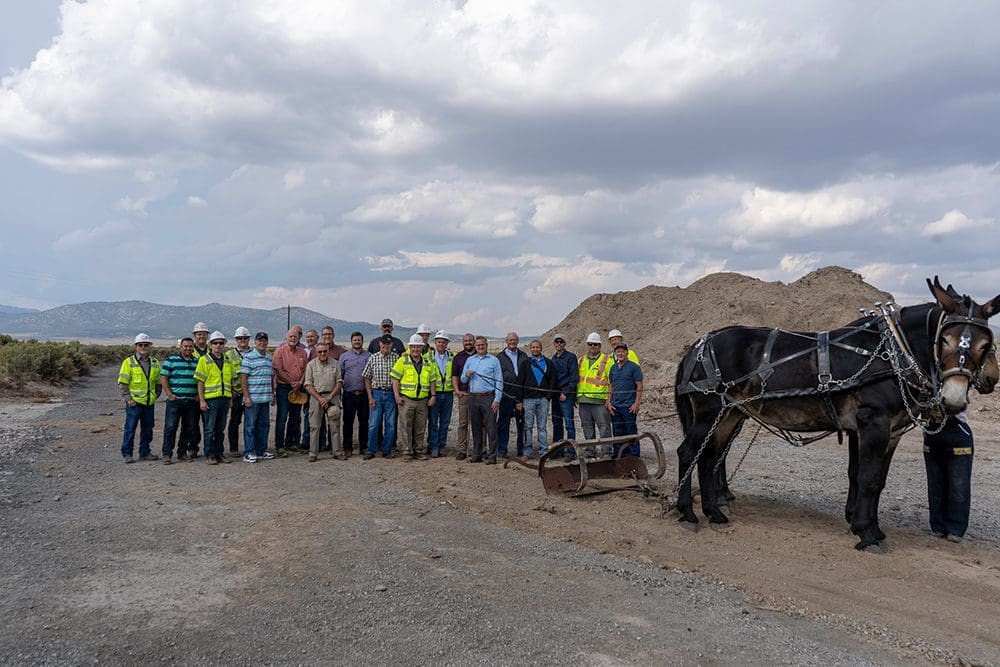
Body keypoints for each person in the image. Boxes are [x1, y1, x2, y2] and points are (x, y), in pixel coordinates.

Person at [924, 412, 975, 542]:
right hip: (932, 434)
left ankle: (956, 528)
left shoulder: (959, 390)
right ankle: (938, 526)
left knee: (958, 485)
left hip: (958, 434)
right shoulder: (923, 391)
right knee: (935, 484)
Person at [194, 331, 238, 465]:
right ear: (210, 344)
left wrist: (230, 398)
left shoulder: (227, 360)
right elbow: (200, 382)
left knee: (220, 429)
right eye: (215, 343)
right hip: (211, 400)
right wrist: (202, 400)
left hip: (224, 400)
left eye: (221, 343)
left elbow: (229, 380)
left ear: (224, 344)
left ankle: (219, 453)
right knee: (209, 429)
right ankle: (210, 454)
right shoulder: (204, 360)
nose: (218, 345)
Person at [391, 334, 437, 461]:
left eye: (418, 347)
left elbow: (432, 380)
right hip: (407, 400)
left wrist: (433, 396)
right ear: (410, 347)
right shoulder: (402, 361)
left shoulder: (428, 363)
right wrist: (396, 395)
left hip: (423, 401)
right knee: (405, 426)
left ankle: (418, 451)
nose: (416, 349)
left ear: (422, 348)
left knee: (420, 427)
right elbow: (395, 379)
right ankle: (407, 451)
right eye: (413, 347)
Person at [118, 333, 161, 463]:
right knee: (130, 428)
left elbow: (158, 382)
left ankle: (145, 452)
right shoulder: (128, 362)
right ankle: (127, 453)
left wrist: (155, 396)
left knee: (148, 429)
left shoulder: (154, 362)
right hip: (134, 403)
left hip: (149, 403)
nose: (143, 347)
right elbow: (123, 383)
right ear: (136, 347)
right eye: (140, 345)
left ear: (149, 347)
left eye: (145, 345)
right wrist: (128, 399)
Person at [461, 336, 502, 464]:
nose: (480, 347)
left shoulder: (494, 360)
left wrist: (497, 399)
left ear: (486, 345)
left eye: (482, 345)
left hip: (488, 397)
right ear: (475, 346)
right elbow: (463, 379)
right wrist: (467, 375)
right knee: (476, 427)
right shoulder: (470, 360)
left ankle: (492, 456)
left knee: (491, 428)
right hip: (473, 397)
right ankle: (477, 454)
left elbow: (499, 381)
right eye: (478, 345)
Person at [159, 337, 200, 464]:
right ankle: (167, 454)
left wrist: (199, 395)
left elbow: (200, 380)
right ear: (180, 347)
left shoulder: (197, 362)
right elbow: (163, 377)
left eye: (190, 346)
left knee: (188, 428)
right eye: (185, 346)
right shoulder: (171, 360)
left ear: (193, 347)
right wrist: (169, 394)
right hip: (175, 401)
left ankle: (182, 453)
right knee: (171, 427)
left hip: (191, 401)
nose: (188, 348)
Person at [239, 332, 277, 463]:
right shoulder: (248, 358)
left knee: (264, 426)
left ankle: (261, 450)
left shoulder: (268, 358)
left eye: (264, 341)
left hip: (265, 399)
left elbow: (271, 378)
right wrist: (246, 397)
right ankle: (249, 452)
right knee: (250, 427)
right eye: (259, 341)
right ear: (255, 343)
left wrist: (272, 394)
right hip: (253, 400)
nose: (262, 343)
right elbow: (243, 379)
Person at [304, 343, 344, 462]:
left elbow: (339, 381)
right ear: (316, 352)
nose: (322, 354)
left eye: (324, 351)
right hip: (316, 398)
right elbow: (308, 384)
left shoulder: (335, 364)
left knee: (335, 426)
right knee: (315, 426)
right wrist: (320, 398)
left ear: (328, 351)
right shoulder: (311, 365)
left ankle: (337, 452)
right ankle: (313, 453)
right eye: (320, 351)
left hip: (332, 397)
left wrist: (330, 397)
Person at [272, 328, 308, 456]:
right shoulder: (279, 351)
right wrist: (292, 382)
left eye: (295, 336)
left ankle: (290, 443)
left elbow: (305, 370)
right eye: (290, 336)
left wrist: (299, 383)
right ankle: (279, 446)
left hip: (298, 388)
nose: (293, 338)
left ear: (299, 338)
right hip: (284, 388)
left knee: (295, 417)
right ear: (286, 338)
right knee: (282, 417)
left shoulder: (303, 352)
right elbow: (278, 370)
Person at [363, 335, 399, 459]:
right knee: (373, 424)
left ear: (391, 345)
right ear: (380, 344)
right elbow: (367, 377)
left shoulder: (396, 358)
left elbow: (399, 378)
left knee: (390, 424)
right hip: (376, 393)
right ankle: (371, 450)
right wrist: (370, 396)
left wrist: (397, 395)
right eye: (383, 343)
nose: (385, 346)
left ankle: (386, 450)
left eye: (388, 344)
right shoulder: (373, 358)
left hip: (390, 394)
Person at [577, 332, 613, 455]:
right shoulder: (581, 360)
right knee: (587, 427)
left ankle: (607, 451)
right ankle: (590, 449)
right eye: (590, 344)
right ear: (587, 345)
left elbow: (611, 382)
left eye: (595, 344)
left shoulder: (607, 360)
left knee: (604, 427)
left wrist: (609, 399)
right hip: (583, 399)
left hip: (599, 400)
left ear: (600, 346)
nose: (593, 346)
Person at [607, 343, 643, 457]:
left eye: (622, 351)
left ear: (627, 353)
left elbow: (639, 386)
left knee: (630, 431)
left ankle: (634, 456)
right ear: (615, 354)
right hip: (615, 406)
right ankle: (619, 454)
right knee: (617, 431)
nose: (620, 354)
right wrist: (609, 402)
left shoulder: (634, 367)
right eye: (618, 352)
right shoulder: (613, 368)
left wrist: (636, 403)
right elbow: (611, 386)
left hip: (628, 406)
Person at [496, 331, 528, 458]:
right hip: (506, 395)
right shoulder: (499, 357)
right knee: (503, 423)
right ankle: (502, 449)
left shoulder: (523, 355)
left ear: (517, 341)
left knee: (522, 424)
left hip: (521, 395)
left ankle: (522, 450)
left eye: (514, 340)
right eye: (510, 340)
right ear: (506, 341)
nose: (512, 342)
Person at [339, 331, 371, 456]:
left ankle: (363, 447)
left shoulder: (369, 356)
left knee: (364, 421)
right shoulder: (344, 356)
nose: (357, 342)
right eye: (355, 340)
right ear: (351, 341)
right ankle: (347, 447)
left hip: (364, 394)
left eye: (359, 340)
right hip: (349, 394)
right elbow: (340, 375)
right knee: (348, 422)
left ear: (362, 341)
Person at [522, 340, 554, 459]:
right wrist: (519, 400)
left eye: (537, 347)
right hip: (528, 399)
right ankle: (527, 451)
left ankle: (544, 452)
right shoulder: (526, 363)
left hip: (543, 400)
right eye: (533, 347)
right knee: (528, 426)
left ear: (541, 348)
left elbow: (552, 380)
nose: (535, 349)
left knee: (542, 427)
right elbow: (521, 381)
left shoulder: (548, 363)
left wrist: (548, 397)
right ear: (530, 349)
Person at [225, 326, 253, 457]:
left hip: (252, 393)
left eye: (245, 338)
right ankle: (234, 448)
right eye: (240, 338)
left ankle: (251, 447)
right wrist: (230, 390)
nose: (243, 340)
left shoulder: (255, 353)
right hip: (236, 393)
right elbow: (225, 374)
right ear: (236, 339)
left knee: (252, 422)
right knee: (235, 421)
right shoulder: (229, 355)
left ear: (248, 339)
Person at [427, 330, 455, 457]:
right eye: (439, 342)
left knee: (445, 422)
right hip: (434, 394)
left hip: (448, 394)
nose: (441, 344)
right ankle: (433, 446)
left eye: (443, 342)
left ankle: (441, 446)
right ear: (435, 343)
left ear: (447, 343)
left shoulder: (452, 357)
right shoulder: (428, 357)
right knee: (433, 422)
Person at [550, 332, 579, 447]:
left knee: (569, 423)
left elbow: (574, 377)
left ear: (564, 343)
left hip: (565, 394)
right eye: (557, 341)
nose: (559, 344)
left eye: (561, 341)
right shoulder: (553, 358)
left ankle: (571, 450)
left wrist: (566, 393)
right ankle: (558, 450)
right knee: (556, 423)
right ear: (554, 343)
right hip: (555, 394)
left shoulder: (571, 357)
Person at [451, 333, 477, 460]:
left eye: (470, 341)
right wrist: (457, 391)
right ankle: (462, 449)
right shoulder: (458, 357)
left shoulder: (481, 356)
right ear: (463, 343)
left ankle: (480, 449)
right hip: (464, 394)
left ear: (474, 341)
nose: (468, 343)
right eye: (465, 341)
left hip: (478, 396)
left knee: (479, 424)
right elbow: (454, 376)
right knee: (463, 424)